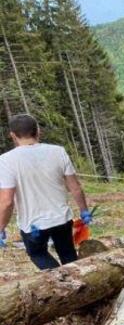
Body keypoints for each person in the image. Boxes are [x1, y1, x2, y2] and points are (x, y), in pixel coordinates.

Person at [0, 114, 92, 270]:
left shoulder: (6, 160)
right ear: (38, 131)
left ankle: (61, 280)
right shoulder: (58, 151)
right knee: (68, 253)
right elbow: (75, 187)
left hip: (33, 225)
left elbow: (7, 201)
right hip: (61, 218)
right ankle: (76, 281)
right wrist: (84, 211)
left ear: (13, 135)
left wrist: (1, 227)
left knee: (38, 254)